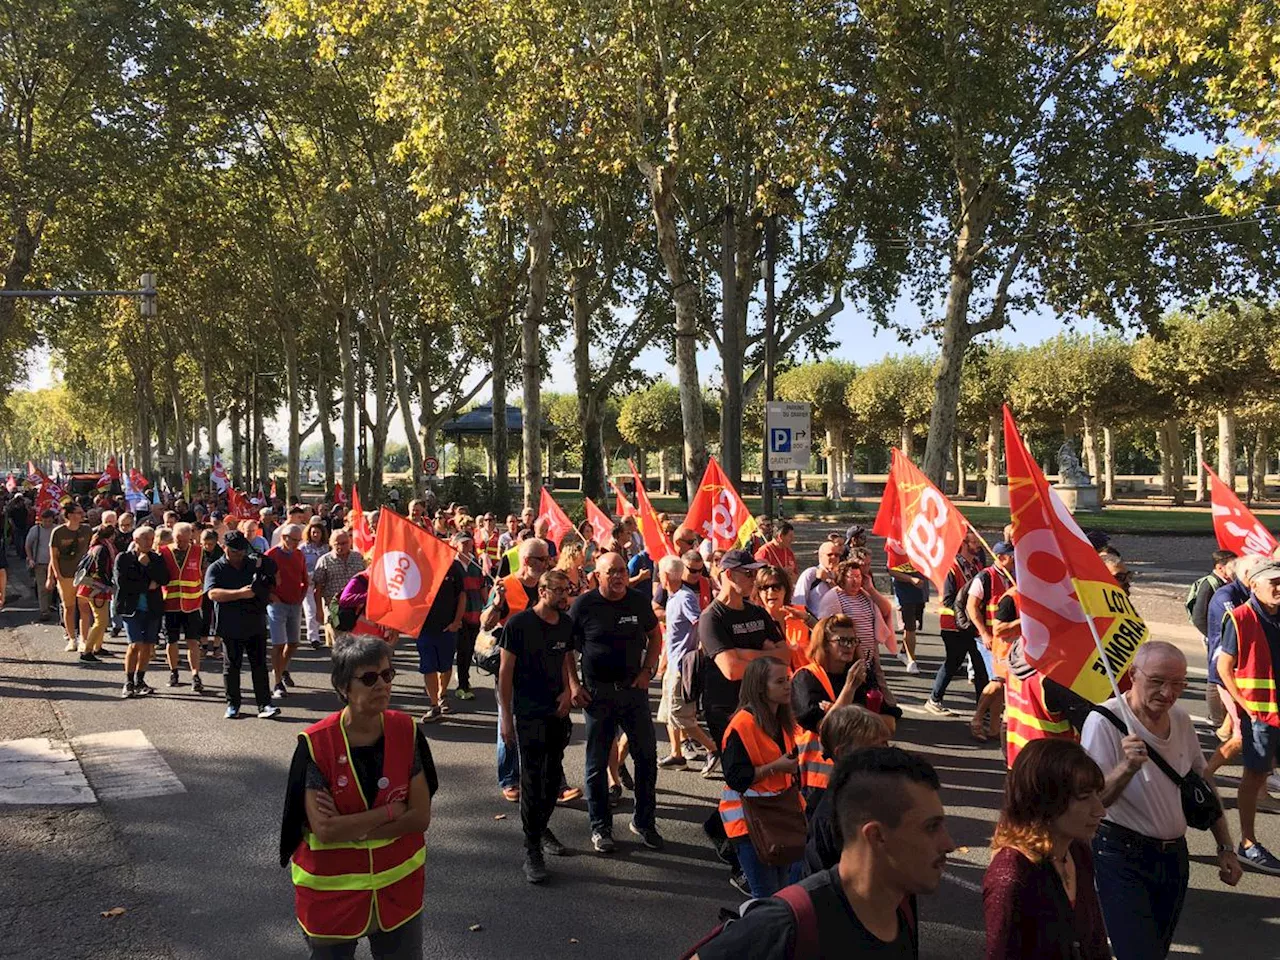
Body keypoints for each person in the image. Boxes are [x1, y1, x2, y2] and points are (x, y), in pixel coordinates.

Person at [692, 747, 953, 960]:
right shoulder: (787, 923)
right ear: (876, 836)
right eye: (931, 827)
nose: (948, 843)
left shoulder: (901, 905)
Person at [279, 635, 436, 959]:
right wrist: (391, 812)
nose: (381, 685)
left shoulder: (407, 731)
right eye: (368, 678)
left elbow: (420, 817)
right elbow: (326, 830)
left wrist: (353, 827)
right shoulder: (316, 745)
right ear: (343, 687)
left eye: (387, 675)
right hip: (331, 899)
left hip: (398, 895)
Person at [1081, 641, 1241, 957]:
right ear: (1133, 675)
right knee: (1138, 953)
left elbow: (1203, 786)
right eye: (1157, 681)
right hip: (1121, 854)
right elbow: (1092, 804)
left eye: (1178, 684)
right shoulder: (1103, 721)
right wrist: (1127, 767)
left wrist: (1225, 847)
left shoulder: (1180, 719)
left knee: (1155, 951)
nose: (1168, 693)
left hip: (1173, 858)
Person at [568, 550, 663, 853]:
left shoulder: (637, 600)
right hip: (598, 695)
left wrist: (649, 670)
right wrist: (573, 684)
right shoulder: (584, 605)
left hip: (634, 690)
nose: (619, 576)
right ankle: (601, 827)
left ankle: (645, 822)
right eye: (612, 572)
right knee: (596, 765)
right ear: (597, 575)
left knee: (646, 757)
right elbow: (567, 650)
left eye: (622, 570)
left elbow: (655, 635)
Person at [983, 740, 1109, 960]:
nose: (1100, 810)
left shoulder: (1077, 852)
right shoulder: (1011, 878)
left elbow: (1096, 940)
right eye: (1084, 797)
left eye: (1097, 794)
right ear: (1045, 801)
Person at [498, 569, 576, 882]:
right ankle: (532, 849)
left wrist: (570, 690)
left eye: (566, 590)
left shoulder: (567, 624)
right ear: (542, 591)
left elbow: (567, 659)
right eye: (557, 590)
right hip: (527, 713)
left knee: (551, 778)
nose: (563, 595)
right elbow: (504, 674)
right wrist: (507, 718)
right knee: (531, 780)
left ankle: (540, 826)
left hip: (556, 712)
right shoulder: (520, 624)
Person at [718, 657, 805, 897]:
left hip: (777, 816)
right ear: (759, 687)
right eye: (780, 681)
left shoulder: (782, 720)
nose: (788, 685)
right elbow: (736, 778)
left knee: (781, 893)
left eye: (788, 679)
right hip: (750, 821)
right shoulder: (742, 725)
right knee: (766, 895)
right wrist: (776, 767)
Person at [1216, 558, 1280, 874]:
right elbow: (1222, 667)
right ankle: (1248, 842)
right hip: (1261, 715)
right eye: (1274, 582)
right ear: (1253, 584)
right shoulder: (1240, 617)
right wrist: (1244, 705)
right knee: (1254, 776)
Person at [481, 537, 551, 801]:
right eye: (541, 559)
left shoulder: (546, 585)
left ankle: (551, 779)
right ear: (525, 561)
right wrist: (497, 603)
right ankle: (510, 778)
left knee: (545, 723)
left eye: (547, 559)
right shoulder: (506, 585)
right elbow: (486, 623)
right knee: (507, 721)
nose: (546, 564)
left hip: (542, 664)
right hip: (510, 667)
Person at [792, 616, 877, 805]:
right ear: (824, 643)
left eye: (853, 640)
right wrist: (849, 689)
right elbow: (826, 728)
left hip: (858, 772)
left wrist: (838, 711)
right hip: (818, 781)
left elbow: (887, 723)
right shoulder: (806, 678)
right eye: (842, 640)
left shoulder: (862, 675)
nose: (849, 646)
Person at [800, 706, 891, 874]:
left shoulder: (885, 791)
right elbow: (819, 878)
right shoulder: (830, 814)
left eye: (885, 743)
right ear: (842, 753)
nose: (885, 751)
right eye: (874, 746)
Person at [814, 559, 901, 734]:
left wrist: (870, 588)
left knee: (875, 684)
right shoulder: (833, 596)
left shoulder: (865, 594)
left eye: (859, 576)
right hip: (847, 653)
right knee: (857, 685)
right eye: (851, 577)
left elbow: (885, 608)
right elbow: (825, 626)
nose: (856, 581)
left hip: (870, 651)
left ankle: (880, 713)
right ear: (841, 577)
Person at [205, 530, 280, 720]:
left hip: (254, 620)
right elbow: (212, 594)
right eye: (234, 551)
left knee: (259, 665)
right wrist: (239, 593)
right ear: (224, 548)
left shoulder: (252, 563)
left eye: (241, 551)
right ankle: (233, 704)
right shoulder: (216, 568)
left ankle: (265, 704)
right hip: (230, 624)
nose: (238, 555)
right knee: (232, 666)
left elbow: (273, 570)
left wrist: (265, 581)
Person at [656, 555, 720, 772]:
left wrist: (701, 656)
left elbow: (700, 623)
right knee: (667, 713)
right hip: (673, 662)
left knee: (680, 715)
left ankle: (712, 748)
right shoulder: (673, 597)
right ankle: (677, 754)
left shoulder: (684, 598)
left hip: (683, 665)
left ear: (664, 576)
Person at [925, 530, 989, 717]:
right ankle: (934, 699)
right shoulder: (951, 568)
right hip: (953, 626)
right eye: (974, 542)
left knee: (980, 666)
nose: (978, 545)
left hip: (972, 626)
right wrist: (967, 610)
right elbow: (947, 600)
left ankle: (982, 708)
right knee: (954, 663)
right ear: (963, 544)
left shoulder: (977, 566)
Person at [113, 526, 171, 698]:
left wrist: (148, 566)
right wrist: (146, 584)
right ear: (135, 540)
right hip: (131, 609)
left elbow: (163, 579)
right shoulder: (123, 558)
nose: (149, 542)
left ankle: (140, 679)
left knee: (147, 645)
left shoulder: (156, 558)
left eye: (151, 538)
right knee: (135, 644)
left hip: (152, 608)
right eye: (145, 538)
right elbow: (123, 583)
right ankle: (128, 681)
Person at [966, 541, 1015, 741]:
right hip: (990, 639)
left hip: (1007, 641)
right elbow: (972, 606)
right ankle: (977, 718)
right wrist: (984, 633)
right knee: (997, 681)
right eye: (1012, 556)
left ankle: (994, 727)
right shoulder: (985, 577)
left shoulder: (1013, 576)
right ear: (1002, 557)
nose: (1015, 560)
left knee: (1002, 684)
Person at [415, 542, 466, 724]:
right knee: (428, 666)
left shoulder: (453, 567)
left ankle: (443, 694)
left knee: (445, 666)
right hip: (424, 629)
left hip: (447, 628)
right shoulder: (416, 569)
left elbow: (461, 595)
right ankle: (434, 705)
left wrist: (456, 621)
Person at [159, 522, 208, 692]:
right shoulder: (163, 551)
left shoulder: (199, 552)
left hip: (192, 604)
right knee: (171, 641)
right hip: (170, 604)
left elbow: (205, 572)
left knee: (192, 641)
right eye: (178, 540)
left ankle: (196, 675)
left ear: (191, 537)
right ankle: (174, 672)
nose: (181, 544)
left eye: (185, 541)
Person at [267, 523, 309, 699]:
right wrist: (272, 596)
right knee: (278, 644)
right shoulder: (271, 555)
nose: (297, 543)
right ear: (284, 537)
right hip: (277, 604)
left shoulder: (299, 554)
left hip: (294, 603)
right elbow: (261, 579)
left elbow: (304, 578)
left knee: (293, 643)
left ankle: (282, 670)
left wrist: (301, 596)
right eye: (294, 540)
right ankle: (277, 683)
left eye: (299, 540)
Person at [312, 529, 367, 648]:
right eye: (338, 544)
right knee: (341, 645)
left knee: (357, 646)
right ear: (331, 544)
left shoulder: (358, 557)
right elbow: (318, 588)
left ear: (350, 542)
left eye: (344, 543)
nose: (341, 546)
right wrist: (319, 611)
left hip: (356, 608)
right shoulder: (324, 561)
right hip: (334, 609)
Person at [48, 502, 91, 652]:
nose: (82, 514)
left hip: (84, 575)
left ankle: (84, 640)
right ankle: (72, 638)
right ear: (70, 515)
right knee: (69, 607)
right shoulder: (58, 532)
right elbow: (53, 557)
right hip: (65, 576)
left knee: (85, 607)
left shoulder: (87, 530)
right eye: (79, 512)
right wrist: (55, 576)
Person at [75, 518, 118, 662]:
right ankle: (87, 651)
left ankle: (97, 647)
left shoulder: (96, 546)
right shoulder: (103, 549)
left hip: (93, 587)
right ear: (111, 536)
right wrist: (108, 585)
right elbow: (101, 570)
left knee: (102, 620)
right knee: (101, 621)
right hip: (97, 588)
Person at [757, 566, 814, 672]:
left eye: (776, 587)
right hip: (778, 682)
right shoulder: (756, 621)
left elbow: (824, 636)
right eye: (764, 587)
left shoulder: (801, 612)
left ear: (785, 589)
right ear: (758, 592)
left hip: (807, 679)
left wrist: (807, 619)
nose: (770, 592)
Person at [452, 529, 487, 701]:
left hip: (475, 612)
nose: (467, 545)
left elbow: (482, 587)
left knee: (470, 648)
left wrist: (487, 606)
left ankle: (463, 679)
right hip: (460, 614)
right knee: (463, 649)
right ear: (456, 544)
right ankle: (462, 685)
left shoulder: (476, 564)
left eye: (469, 542)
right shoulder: (452, 565)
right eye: (463, 543)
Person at [887, 558, 926, 675]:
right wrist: (910, 579)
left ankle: (904, 652)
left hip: (919, 591)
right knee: (910, 626)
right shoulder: (897, 550)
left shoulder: (918, 549)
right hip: (904, 593)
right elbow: (891, 570)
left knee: (915, 624)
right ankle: (911, 660)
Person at [300, 518, 330, 650]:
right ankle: (313, 637)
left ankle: (327, 634)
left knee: (325, 610)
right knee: (311, 610)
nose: (316, 535)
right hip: (309, 583)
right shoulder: (303, 548)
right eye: (313, 533)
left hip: (325, 583)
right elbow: (299, 565)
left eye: (318, 532)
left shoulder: (327, 548)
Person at [792, 541, 841, 619]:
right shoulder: (810, 574)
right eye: (830, 554)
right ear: (820, 556)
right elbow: (799, 602)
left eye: (837, 555)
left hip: (835, 625)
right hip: (815, 624)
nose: (834, 557)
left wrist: (828, 580)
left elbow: (843, 598)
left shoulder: (839, 576)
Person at [25, 508, 56, 622]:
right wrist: (31, 558)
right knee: (42, 588)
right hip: (39, 563)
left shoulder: (56, 529)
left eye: (49, 521)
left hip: (53, 563)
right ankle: (44, 611)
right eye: (45, 521)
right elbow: (28, 545)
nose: (47, 523)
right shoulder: (35, 530)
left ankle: (48, 606)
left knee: (51, 588)